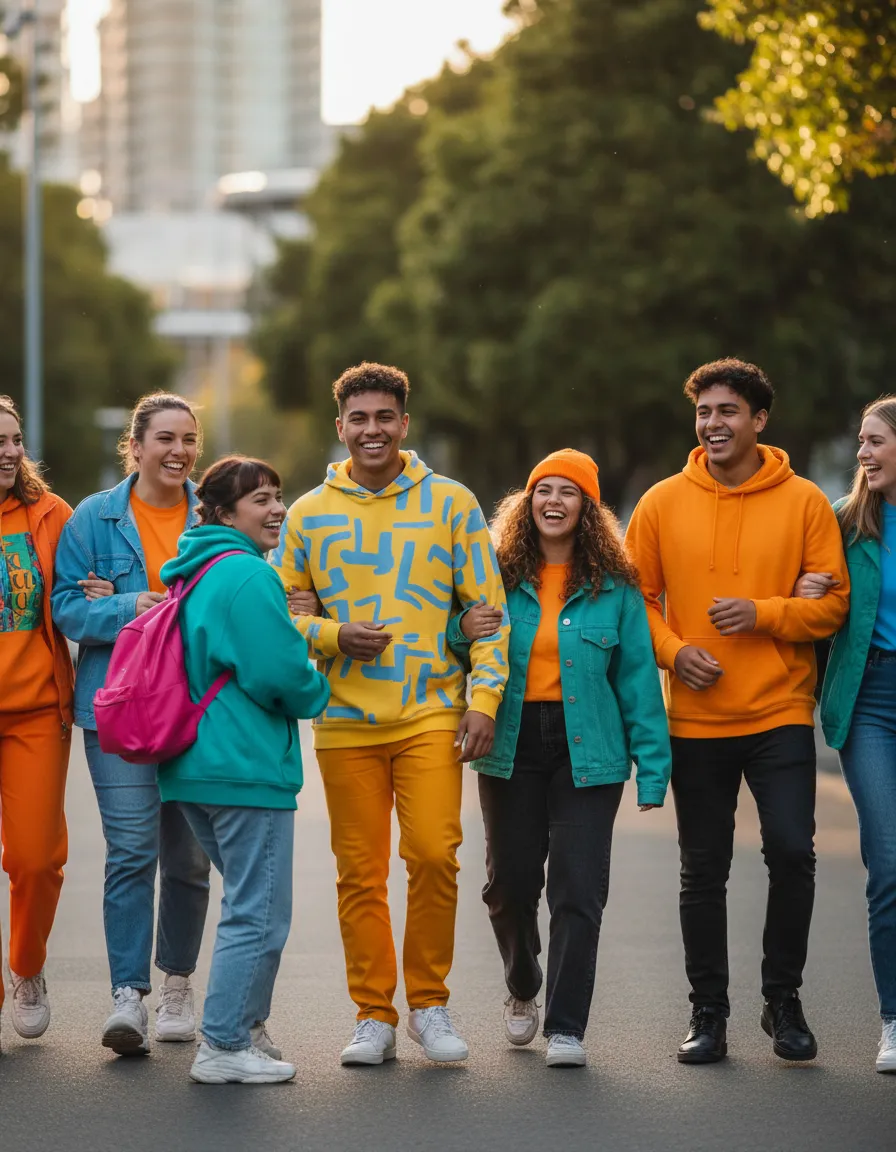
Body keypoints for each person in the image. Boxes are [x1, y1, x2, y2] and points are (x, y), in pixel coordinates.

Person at [274, 361, 509, 1066]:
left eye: (384, 418)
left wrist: (484, 698)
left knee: (435, 854)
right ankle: (373, 1013)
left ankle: (428, 1005)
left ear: (404, 425)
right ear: (340, 427)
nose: (371, 430)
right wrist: (330, 635)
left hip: (431, 712)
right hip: (343, 719)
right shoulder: (310, 514)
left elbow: (486, 616)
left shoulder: (452, 503)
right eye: (358, 419)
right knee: (359, 871)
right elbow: (286, 614)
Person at [625, 358, 849, 1065]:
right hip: (696, 717)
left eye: (727, 411)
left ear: (759, 420)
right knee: (704, 867)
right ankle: (708, 1014)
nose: (713, 424)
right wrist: (672, 651)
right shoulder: (661, 502)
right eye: (704, 413)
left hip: (780, 708)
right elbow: (639, 602)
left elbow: (833, 604)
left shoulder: (806, 501)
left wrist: (764, 612)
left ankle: (783, 1002)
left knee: (791, 851)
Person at [449, 449, 671, 1068]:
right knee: (510, 884)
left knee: (578, 890)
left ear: (588, 509)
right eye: (542, 489)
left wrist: (654, 768)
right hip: (511, 743)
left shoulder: (616, 589)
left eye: (568, 492)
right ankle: (523, 983)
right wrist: (460, 629)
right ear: (526, 502)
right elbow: (450, 636)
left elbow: (637, 684)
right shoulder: (494, 573)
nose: (554, 501)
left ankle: (567, 1026)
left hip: (589, 750)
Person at [157, 456, 330, 1084]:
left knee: (255, 903)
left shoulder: (194, 569)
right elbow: (279, 675)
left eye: (278, 496)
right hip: (242, 765)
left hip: (194, 767)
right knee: (256, 908)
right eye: (261, 500)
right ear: (225, 513)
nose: (277, 509)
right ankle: (224, 1044)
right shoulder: (247, 576)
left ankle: (244, 1033)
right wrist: (318, 683)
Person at [52, 393, 211, 1055]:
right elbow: (65, 608)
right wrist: (128, 607)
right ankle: (128, 997)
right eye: (166, 439)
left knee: (190, 857)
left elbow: (245, 594)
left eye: (189, 440)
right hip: (118, 710)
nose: (178, 451)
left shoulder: (215, 512)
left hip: (200, 709)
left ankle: (176, 983)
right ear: (137, 446)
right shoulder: (94, 518)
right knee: (132, 852)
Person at [801, 396, 896, 1074]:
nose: (862, 453)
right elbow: (817, 604)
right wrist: (806, 592)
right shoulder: (844, 523)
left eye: (875, 441)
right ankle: (894, 1019)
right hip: (868, 701)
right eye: (860, 441)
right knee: (889, 861)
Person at [0, 396, 74, 1050]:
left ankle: (26, 967)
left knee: (36, 857)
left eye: (13, 438)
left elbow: (79, 587)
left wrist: (93, 591)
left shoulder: (50, 515)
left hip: (35, 710)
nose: (6, 450)